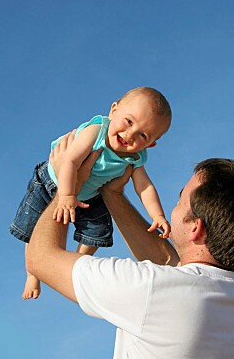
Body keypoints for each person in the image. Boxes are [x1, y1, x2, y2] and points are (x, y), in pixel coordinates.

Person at [26, 133, 234, 359]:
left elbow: (41, 258)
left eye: (180, 199)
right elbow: (171, 264)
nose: (173, 207)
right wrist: (113, 195)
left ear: (195, 228)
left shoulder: (152, 291)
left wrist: (67, 185)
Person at [9, 87, 172, 299]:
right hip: (53, 181)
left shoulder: (135, 158)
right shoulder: (97, 131)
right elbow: (70, 160)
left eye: (142, 135)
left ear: (151, 144)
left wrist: (157, 215)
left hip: (90, 196)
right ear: (114, 110)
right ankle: (32, 274)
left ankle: (73, 262)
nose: (129, 134)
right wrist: (66, 196)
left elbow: (145, 187)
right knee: (32, 226)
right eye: (128, 122)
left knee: (98, 233)